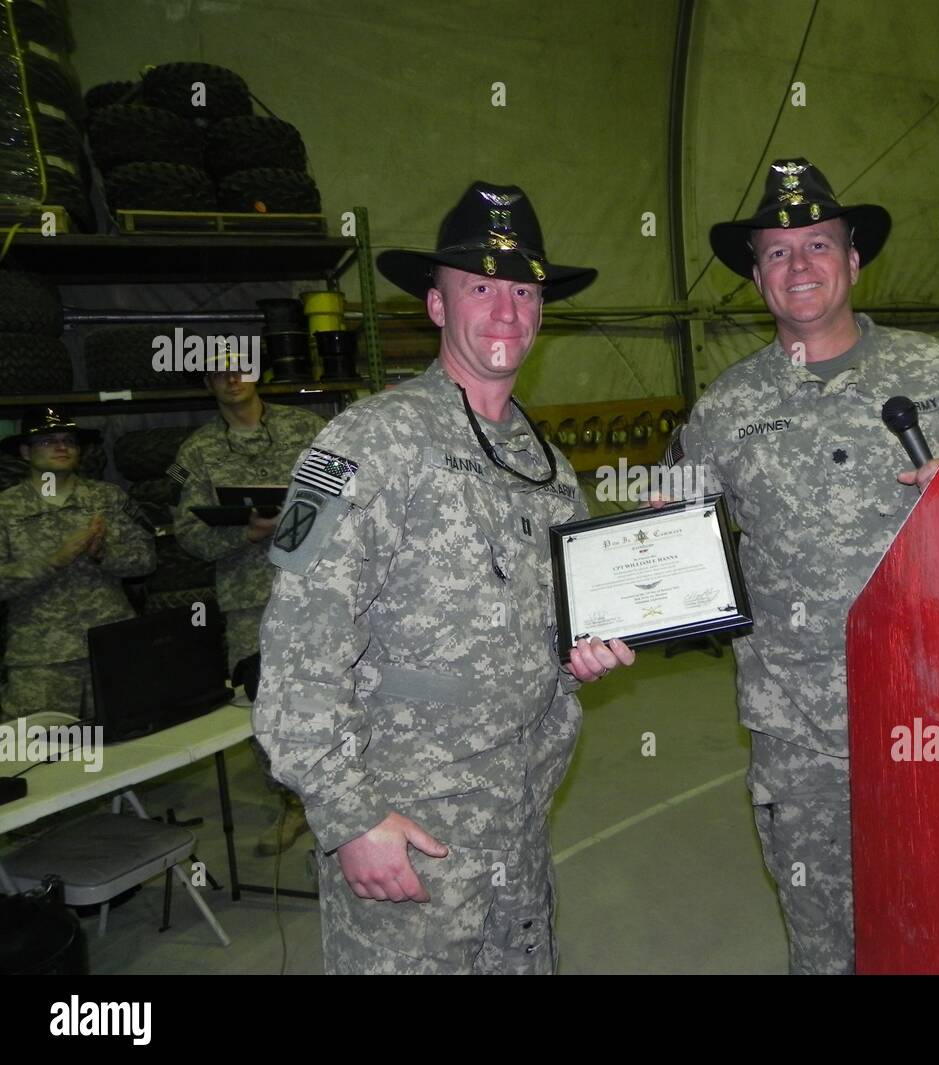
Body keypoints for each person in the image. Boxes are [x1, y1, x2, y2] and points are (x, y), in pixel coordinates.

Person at [252, 181, 635, 974]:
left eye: (523, 290)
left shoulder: (549, 468)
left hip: (517, 828)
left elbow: (550, 629)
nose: (506, 310)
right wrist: (348, 815)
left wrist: (579, 652)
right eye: (481, 287)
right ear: (435, 305)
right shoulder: (358, 446)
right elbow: (294, 649)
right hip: (408, 837)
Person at [663, 159, 939, 973]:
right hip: (799, 738)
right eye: (777, 253)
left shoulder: (935, 375)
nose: (800, 266)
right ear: (756, 277)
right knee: (825, 944)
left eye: (818, 244)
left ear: (853, 261)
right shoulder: (725, 407)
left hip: (931, 715)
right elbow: (660, 531)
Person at [170, 354, 326, 855]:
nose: (231, 379)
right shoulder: (194, 453)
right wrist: (246, 533)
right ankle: (292, 803)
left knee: (344, 684)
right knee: (265, 705)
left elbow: (357, 491)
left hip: (324, 586)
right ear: (207, 383)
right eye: (218, 372)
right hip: (248, 597)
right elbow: (188, 534)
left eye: (241, 368)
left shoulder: (310, 428)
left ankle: (353, 789)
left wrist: (302, 520)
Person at [0, 407, 155, 720]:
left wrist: (104, 555)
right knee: (40, 761)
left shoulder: (108, 498)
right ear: (25, 451)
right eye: (48, 441)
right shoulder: (6, 509)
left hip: (113, 649)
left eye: (68, 440)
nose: (61, 446)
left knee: (134, 751)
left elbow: (146, 560)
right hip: (42, 663)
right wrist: (53, 561)